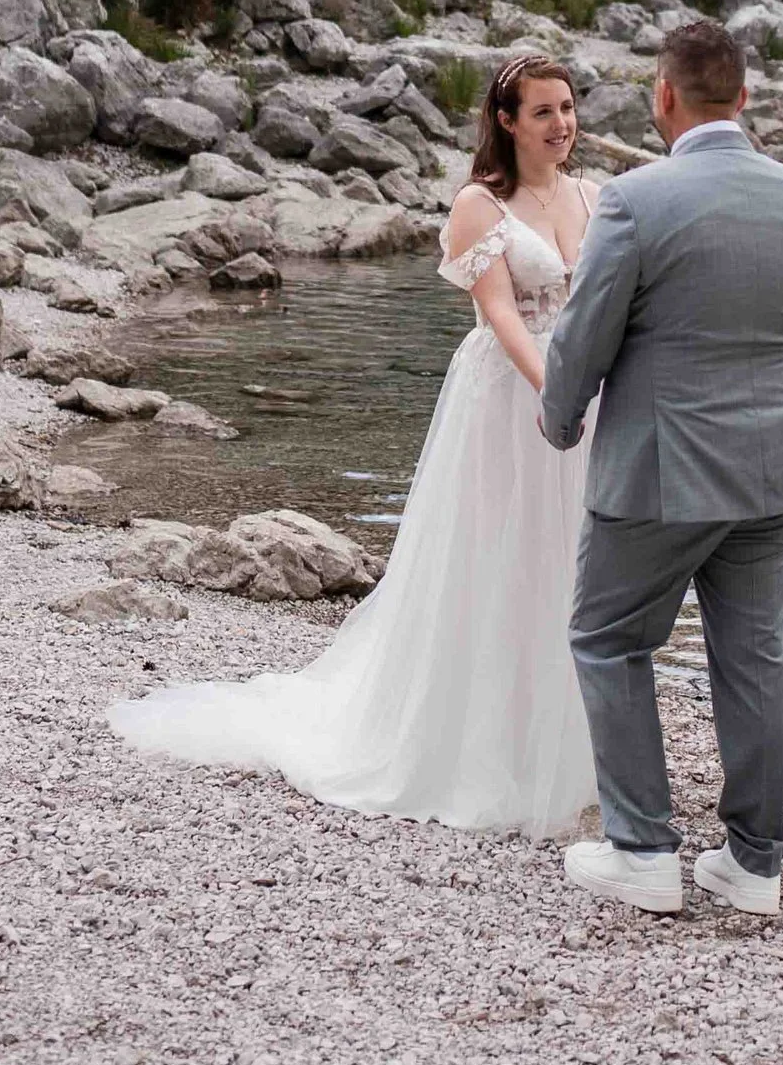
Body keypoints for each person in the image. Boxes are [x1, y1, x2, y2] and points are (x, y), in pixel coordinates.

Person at [106, 55, 598, 838]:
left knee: (562, 561)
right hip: (511, 394)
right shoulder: (479, 205)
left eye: (568, 108)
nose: (562, 125)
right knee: (491, 558)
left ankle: (560, 739)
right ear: (507, 122)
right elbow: (503, 316)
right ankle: (470, 743)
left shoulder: (590, 197)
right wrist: (556, 390)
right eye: (543, 112)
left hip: (579, 393)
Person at [537, 15, 783, 920]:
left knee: (608, 638)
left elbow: (584, 335)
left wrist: (559, 422)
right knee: (754, 658)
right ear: (744, 96)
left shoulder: (635, 199)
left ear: (662, 96)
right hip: (776, 463)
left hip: (662, 470)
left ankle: (641, 849)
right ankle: (754, 866)